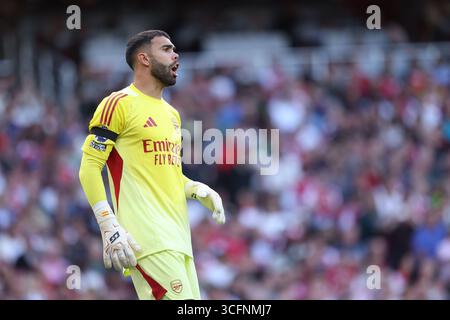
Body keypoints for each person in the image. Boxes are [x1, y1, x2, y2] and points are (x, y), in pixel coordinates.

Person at [78, 30, 225, 300]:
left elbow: (169, 174)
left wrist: (194, 188)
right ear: (144, 59)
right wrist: (108, 225)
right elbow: (89, 167)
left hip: (179, 240)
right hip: (147, 240)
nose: (175, 54)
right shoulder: (118, 104)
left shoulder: (171, 114)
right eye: (167, 49)